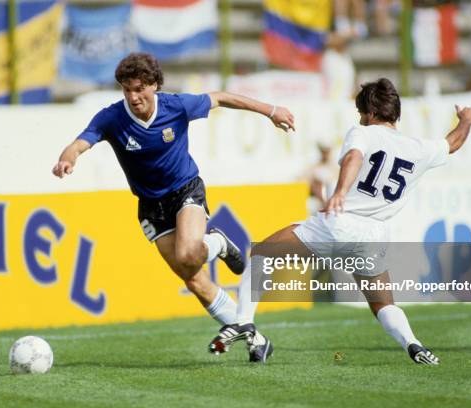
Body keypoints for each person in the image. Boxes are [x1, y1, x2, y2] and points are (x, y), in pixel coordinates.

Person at [209, 78, 471, 364]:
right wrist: (466, 121)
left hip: (339, 224)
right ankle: (414, 344)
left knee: (262, 252)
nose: (361, 119)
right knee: (382, 304)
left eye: (362, 113)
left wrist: (339, 192)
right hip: (374, 236)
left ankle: (243, 322)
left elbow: (353, 157)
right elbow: (452, 143)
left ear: (372, 113)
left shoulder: (363, 133)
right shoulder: (419, 148)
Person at [52, 53, 295, 330]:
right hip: (150, 206)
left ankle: (216, 243)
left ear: (154, 84)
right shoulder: (111, 118)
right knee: (190, 275)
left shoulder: (176, 106)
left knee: (188, 255)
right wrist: (68, 159)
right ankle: (246, 329)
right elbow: (79, 143)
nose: (133, 97)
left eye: (139, 88)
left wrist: (271, 111)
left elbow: (222, 97)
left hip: (185, 189)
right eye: (127, 89)